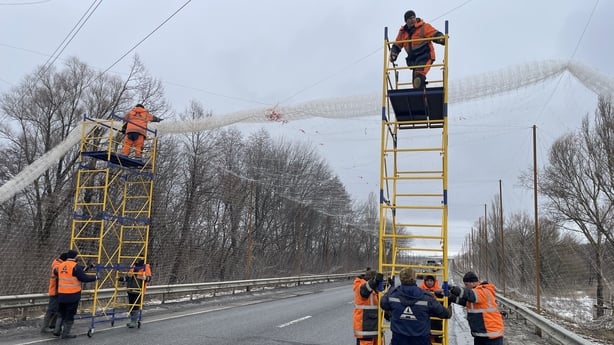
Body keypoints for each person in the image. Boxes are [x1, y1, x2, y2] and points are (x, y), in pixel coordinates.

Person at [380, 268, 452, 345]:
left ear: (401, 278)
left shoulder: (392, 295)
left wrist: (390, 289)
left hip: (398, 340)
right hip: (421, 340)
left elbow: (383, 304)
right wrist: (448, 303)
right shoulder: (426, 297)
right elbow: (444, 313)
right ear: (415, 278)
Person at [389, 10, 445, 89]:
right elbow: (397, 45)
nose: (412, 20)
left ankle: (423, 98)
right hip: (414, 60)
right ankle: (419, 97)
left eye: (413, 17)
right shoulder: (403, 33)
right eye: (410, 18)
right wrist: (393, 55)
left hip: (425, 55)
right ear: (406, 21)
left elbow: (434, 33)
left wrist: (441, 39)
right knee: (415, 83)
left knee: (419, 77)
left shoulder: (423, 27)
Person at [449, 272, 505, 345]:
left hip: (491, 335)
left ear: (473, 283)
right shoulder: (475, 295)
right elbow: (464, 301)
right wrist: (449, 296)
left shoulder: (482, 291)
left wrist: (453, 288)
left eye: (466, 285)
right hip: (482, 335)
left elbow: (468, 294)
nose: (465, 287)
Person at [53, 250, 97, 339]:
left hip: (61, 294)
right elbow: (83, 277)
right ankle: (66, 333)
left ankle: (57, 330)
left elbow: (57, 272)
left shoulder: (60, 265)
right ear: (75, 257)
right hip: (72, 295)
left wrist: (88, 267)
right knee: (69, 315)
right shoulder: (75, 266)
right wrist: (95, 277)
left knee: (61, 313)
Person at [118, 259, 152, 328]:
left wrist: (145, 278)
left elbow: (149, 278)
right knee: (131, 306)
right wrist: (122, 278)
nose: (138, 259)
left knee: (136, 306)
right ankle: (132, 320)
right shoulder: (133, 267)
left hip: (138, 290)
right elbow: (128, 277)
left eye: (141, 257)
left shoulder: (146, 267)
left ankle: (134, 321)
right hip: (130, 289)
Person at [353, 268, 383, 345]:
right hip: (365, 328)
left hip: (372, 327)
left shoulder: (372, 290)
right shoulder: (360, 286)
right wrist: (375, 281)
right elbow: (365, 290)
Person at [40, 252, 67, 333]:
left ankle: (53, 324)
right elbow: (57, 271)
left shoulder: (59, 264)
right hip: (55, 291)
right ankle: (45, 327)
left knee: (58, 309)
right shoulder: (57, 265)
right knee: (51, 309)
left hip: (59, 291)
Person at [419, 275, 444, 344]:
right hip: (423, 317)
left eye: (431, 281)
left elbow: (442, 305)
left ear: (434, 282)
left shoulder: (439, 292)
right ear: (424, 281)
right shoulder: (420, 291)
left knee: (436, 338)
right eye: (427, 281)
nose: (429, 282)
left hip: (435, 320)